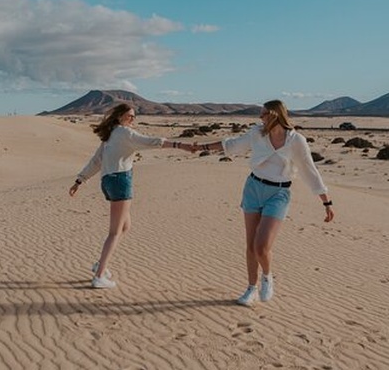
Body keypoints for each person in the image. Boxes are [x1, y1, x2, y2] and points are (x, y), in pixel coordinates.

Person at [195, 100, 334, 306]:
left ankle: (267, 277)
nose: (260, 118)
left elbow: (309, 171)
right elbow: (232, 145)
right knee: (251, 245)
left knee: (262, 246)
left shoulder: (296, 140)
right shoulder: (257, 133)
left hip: (278, 193)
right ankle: (251, 288)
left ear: (275, 115)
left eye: (263, 115)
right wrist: (200, 147)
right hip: (253, 188)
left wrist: (326, 201)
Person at [69, 102, 196, 289]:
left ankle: (101, 263)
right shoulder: (124, 133)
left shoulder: (110, 134)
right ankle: (99, 275)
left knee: (125, 226)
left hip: (108, 182)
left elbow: (97, 161)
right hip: (120, 182)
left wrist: (80, 180)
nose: (132, 119)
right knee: (115, 231)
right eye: (129, 116)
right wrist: (181, 145)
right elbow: (151, 142)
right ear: (120, 116)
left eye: (134, 117)